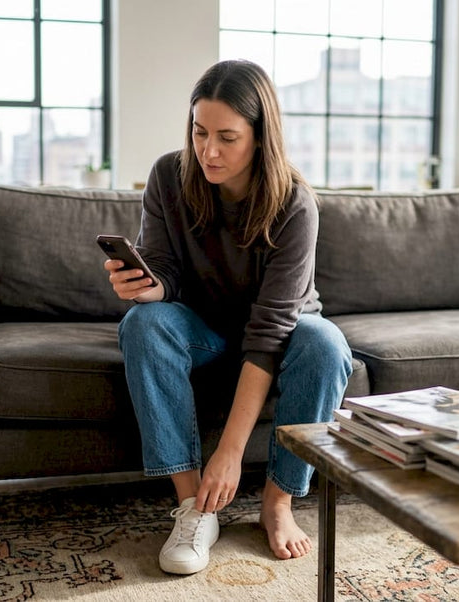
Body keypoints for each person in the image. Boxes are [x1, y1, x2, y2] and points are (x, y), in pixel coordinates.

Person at [104, 59, 352, 575]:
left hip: (282, 336)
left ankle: (278, 504)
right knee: (142, 324)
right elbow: (168, 270)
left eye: (227, 137)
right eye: (199, 132)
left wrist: (231, 452)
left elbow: (269, 334)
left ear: (261, 138)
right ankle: (196, 507)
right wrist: (150, 287)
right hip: (205, 330)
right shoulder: (169, 177)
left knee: (326, 346)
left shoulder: (294, 204)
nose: (208, 150)